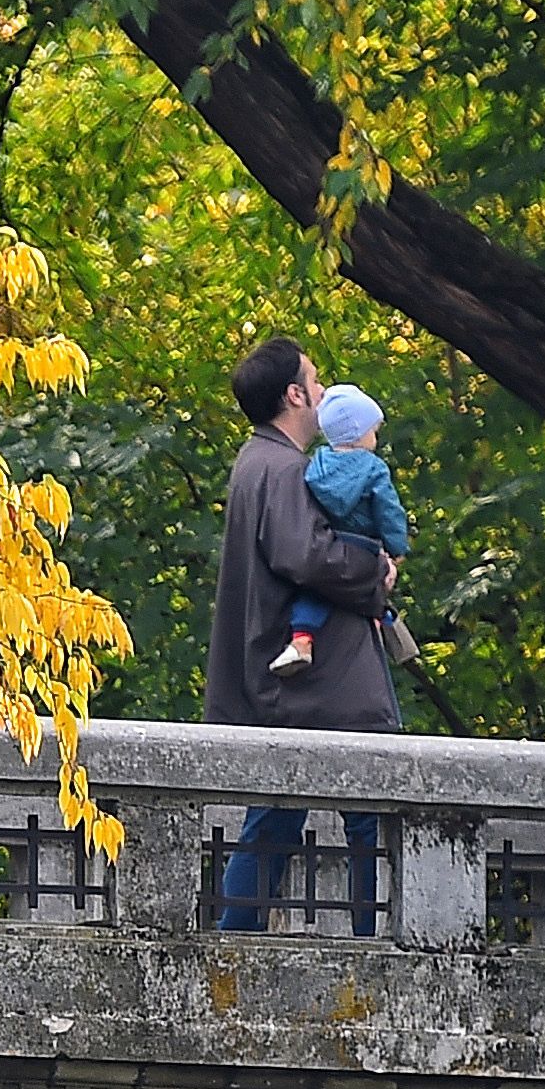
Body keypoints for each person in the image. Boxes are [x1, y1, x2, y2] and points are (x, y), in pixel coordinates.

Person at [205, 339, 401, 934]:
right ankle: (374, 956)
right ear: (294, 395)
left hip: (291, 677)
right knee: (368, 812)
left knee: (275, 816)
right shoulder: (284, 467)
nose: (322, 393)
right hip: (322, 682)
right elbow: (307, 556)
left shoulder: (256, 462)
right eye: (315, 383)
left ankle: (229, 945)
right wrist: (377, 573)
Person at [271, 385, 409, 673]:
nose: (375, 436)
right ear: (359, 431)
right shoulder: (374, 468)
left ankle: (301, 641)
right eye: (373, 429)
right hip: (364, 545)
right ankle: (384, 625)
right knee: (372, 586)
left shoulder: (316, 465)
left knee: (315, 593)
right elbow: (388, 510)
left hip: (333, 540)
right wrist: (396, 547)